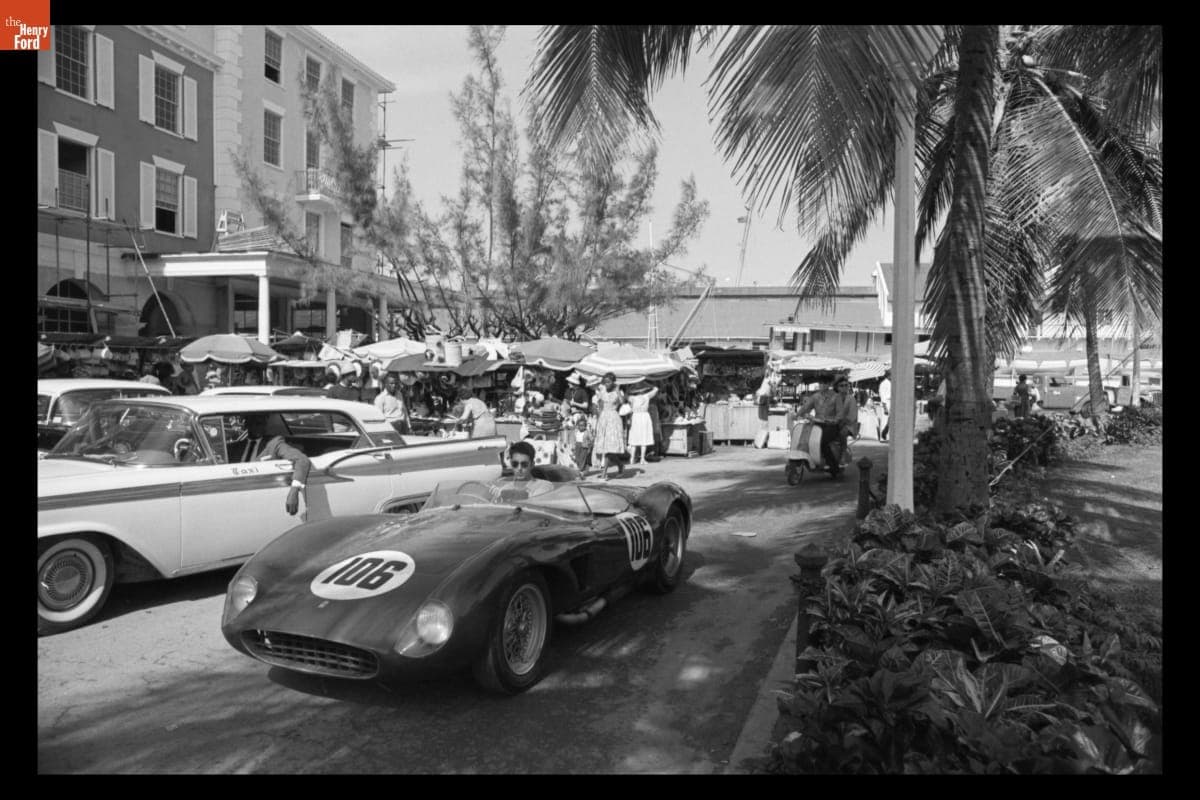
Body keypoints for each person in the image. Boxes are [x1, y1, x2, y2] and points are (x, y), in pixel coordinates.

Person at [240, 413, 312, 516]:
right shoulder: (235, 447)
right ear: (246, 424)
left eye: (262, 421)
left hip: (261, 500)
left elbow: (302, 460)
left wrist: (294, 490)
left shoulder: (274, 443)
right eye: (254, 421)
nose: (260, 425)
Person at [795, 375, 858, 476]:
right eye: (820, 383)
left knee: (822, 441)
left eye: (824, 383)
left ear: (829, 385)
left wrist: (834, 420)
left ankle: (834, 467)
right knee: (805, 436)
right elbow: (805, 407)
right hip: (816, 424)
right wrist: (797, 415)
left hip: (831, 426)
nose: (821, 385)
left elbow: (840, 414)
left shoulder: (836, 397)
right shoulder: (815, 396)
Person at [488, 440, 554, 500]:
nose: (519, 468)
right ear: (511, 464)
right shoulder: (504, 488)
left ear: (532, 465)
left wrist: (506, 494)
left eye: (524, 464)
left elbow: (534, 500)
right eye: (515, 464)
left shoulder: (545, 486)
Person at [591, 372, 627, 480]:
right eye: (605, 382)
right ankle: (620, 465)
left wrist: (618, 391)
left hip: (614, 419)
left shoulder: (618, 391)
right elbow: (598, 404)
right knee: (607, 448)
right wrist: (598, 415)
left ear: (613, 382)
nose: (606, 384)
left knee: (609, 448)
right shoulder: (601, 391)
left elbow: (623, 402)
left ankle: (604, 473)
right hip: (603, 419)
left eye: (609, 382)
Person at [626, 382, 660, 465]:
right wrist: (649, 385)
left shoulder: (632, 398)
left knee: (634, 438)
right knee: (644, 438)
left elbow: (625, 394)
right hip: (644, 416)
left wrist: (630, 386)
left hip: (635, 417)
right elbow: (656, 389)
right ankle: (642, 459)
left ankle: (632, 458)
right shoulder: (647, 396)